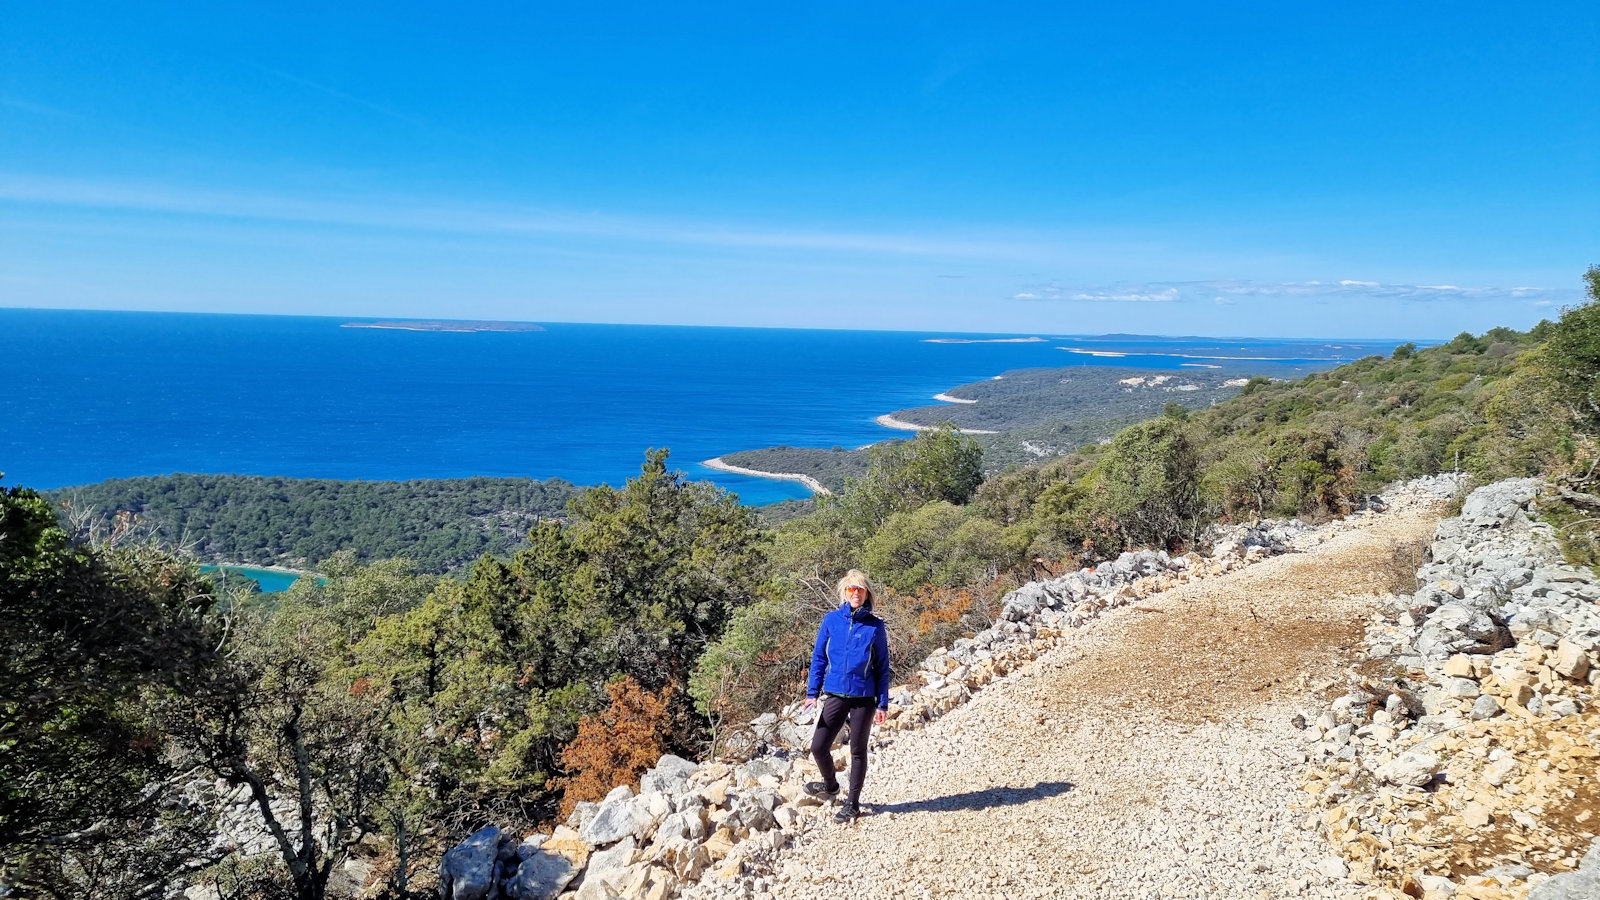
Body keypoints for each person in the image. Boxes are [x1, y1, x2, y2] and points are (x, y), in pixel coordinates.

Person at [802, 568, 890, 822]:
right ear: (844, 592)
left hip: (864, 696)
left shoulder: (875, 626)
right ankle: (831, 785)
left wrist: (883, 703)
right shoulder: (831, 620)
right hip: (836, 693)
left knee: (858, 750)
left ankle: (853, 803)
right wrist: (812, 692)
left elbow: (882, 667)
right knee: (818, 746)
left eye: (860, 589)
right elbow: (819, 658)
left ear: (867, 594)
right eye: (851, 589)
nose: (856, 593)